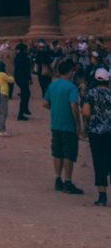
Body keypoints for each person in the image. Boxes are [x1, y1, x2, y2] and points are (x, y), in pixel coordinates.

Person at [44, 59, 85, 194]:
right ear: (70, 72)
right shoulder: (71, 87)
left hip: (56, 124)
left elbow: (45, 103)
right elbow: (74, 105)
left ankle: (57, 179)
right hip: (68, 125)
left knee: (57, 153)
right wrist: (78, 124)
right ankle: (68, 181)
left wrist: (55, 108)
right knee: (69, 154)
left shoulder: (53, 85)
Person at [82, 67, 111, 206]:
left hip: (96, 132)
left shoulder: (90, 94)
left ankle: (102, 196)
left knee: (99, 162)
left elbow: (86, 112)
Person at [0, 59, 14, 136]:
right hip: (3, 93)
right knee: (3, 113)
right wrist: (8, 73)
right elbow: (11, 80)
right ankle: (2, 130)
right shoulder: (2, 74)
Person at [14, 41, 33, 120]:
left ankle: (25, 109)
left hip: (18, 77)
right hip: (23, 78)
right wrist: (30, 79)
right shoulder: (25, 58)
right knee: (24, 95)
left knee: (27, 93)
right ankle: (20, 114)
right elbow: (27, 70)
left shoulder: (17, 57)